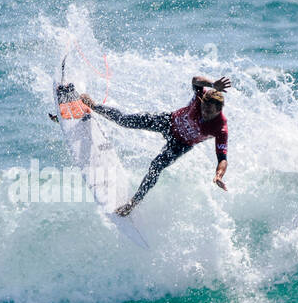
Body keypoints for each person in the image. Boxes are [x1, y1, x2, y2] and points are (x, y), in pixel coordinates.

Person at [77, 75, 231, 215]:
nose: (204, 113)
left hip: (180, 144)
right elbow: (195, 79)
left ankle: (132, 203)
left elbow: (222, 158)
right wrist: (212, 84)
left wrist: (219, 174)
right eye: (204, 109)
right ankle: (94, 106)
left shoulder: (220, 128)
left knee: (156, 166)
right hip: (168, 121)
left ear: (219, 109)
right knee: (125, 120)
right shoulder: (200, 97)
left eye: (209, 112)